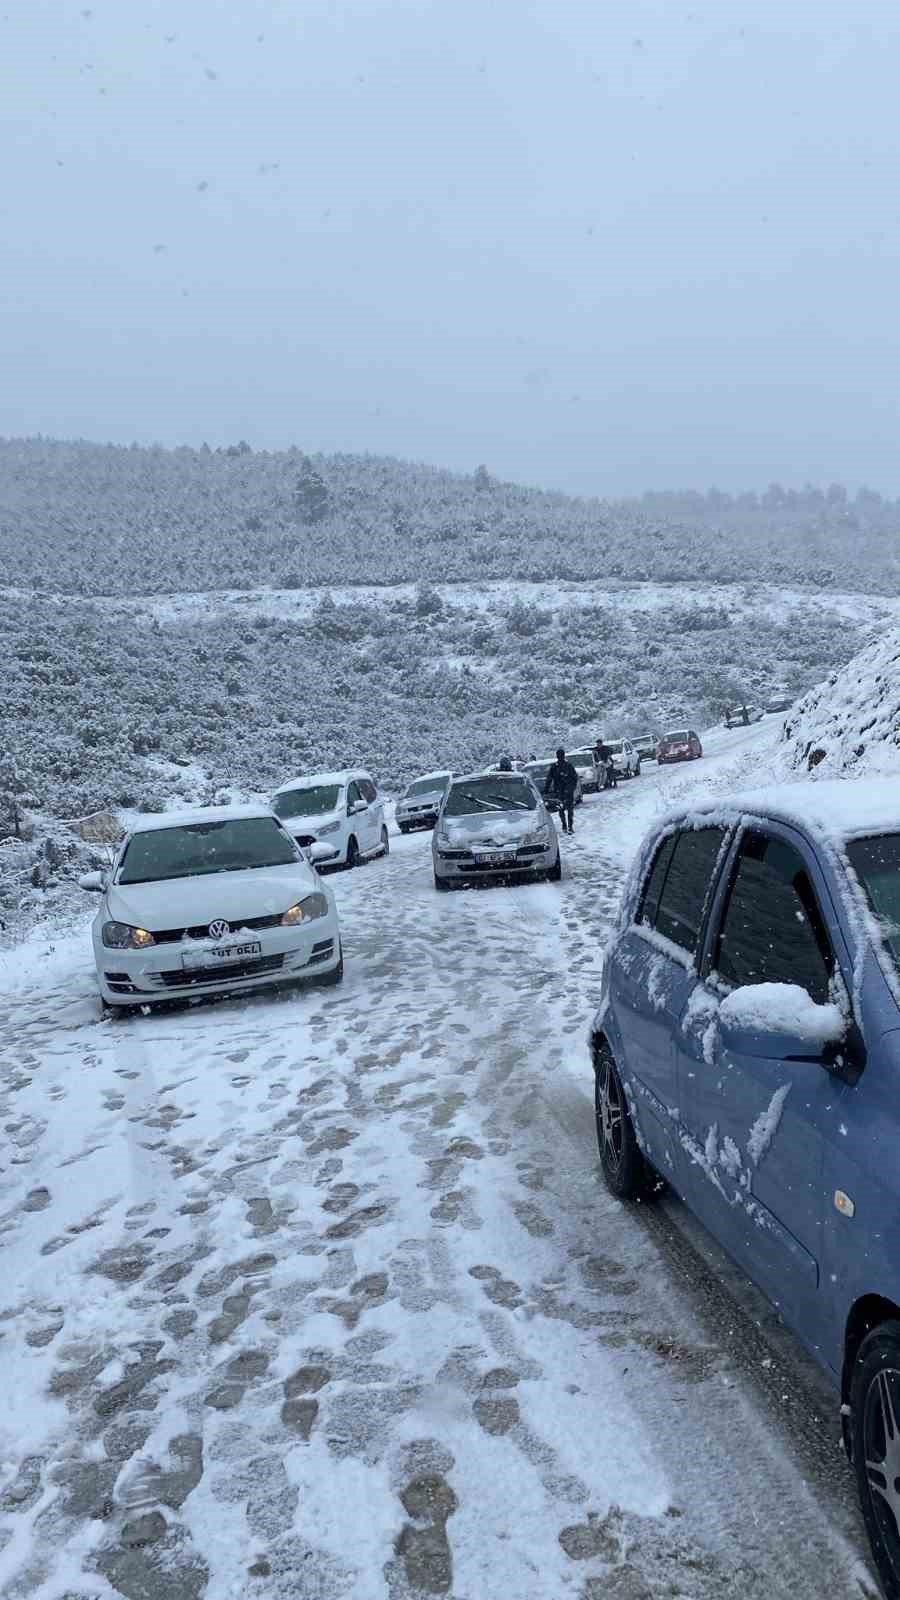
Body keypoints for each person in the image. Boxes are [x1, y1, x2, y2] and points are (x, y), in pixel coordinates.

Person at [545, 747, 578, 834]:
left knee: (565, 809)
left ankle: (568, 826)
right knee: (564, 809)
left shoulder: (567, 766)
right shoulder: (555, 767)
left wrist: (571, 788)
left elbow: (574, 778)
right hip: (561, 791)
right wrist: (546, 789)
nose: (560, 757)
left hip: (565, 790)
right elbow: (549, 779)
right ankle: (566, 825)